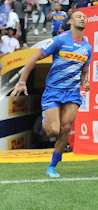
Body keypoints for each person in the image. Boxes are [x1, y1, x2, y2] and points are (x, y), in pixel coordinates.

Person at [10, 11, 91, 178]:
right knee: (53, 131)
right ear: (70, 21)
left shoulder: (87, 48)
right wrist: (22, 82)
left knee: (66, 128)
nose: (82, 18)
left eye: (84, 17)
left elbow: (84, 71)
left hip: (72, 93)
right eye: (78, 16)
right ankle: (45, 117)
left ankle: (52, 166)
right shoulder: (60, 40)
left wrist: (86, 82)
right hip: (53, 91)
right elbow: (34, 58)